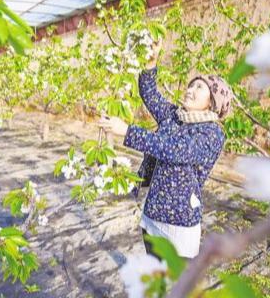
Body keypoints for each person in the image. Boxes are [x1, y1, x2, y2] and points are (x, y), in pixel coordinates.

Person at [98, 40, 233, 262]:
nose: (191, 89)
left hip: (179, 222)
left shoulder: (212, 134)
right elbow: (150, 95)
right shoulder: (175, 116)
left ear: (213, 102)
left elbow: (174, 150)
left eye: (200, 87)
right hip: (154, 212)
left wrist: (127, 131)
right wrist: (151, 63)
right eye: (192, 85)